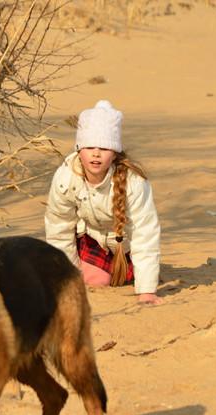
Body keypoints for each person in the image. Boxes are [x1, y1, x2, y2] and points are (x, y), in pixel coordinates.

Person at [45, 100, 162, 305]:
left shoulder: (134, 182)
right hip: (92, 238)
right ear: (79, 149)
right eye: (89, 147)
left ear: (115, 153)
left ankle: (135, 271)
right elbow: (59, 228)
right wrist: (67, 279)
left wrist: (147, 291)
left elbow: (145, 233)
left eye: (104, 148)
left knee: (131, 277)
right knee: (95, 280)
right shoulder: (66, 176)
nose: (96, 154)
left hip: (123, 246)